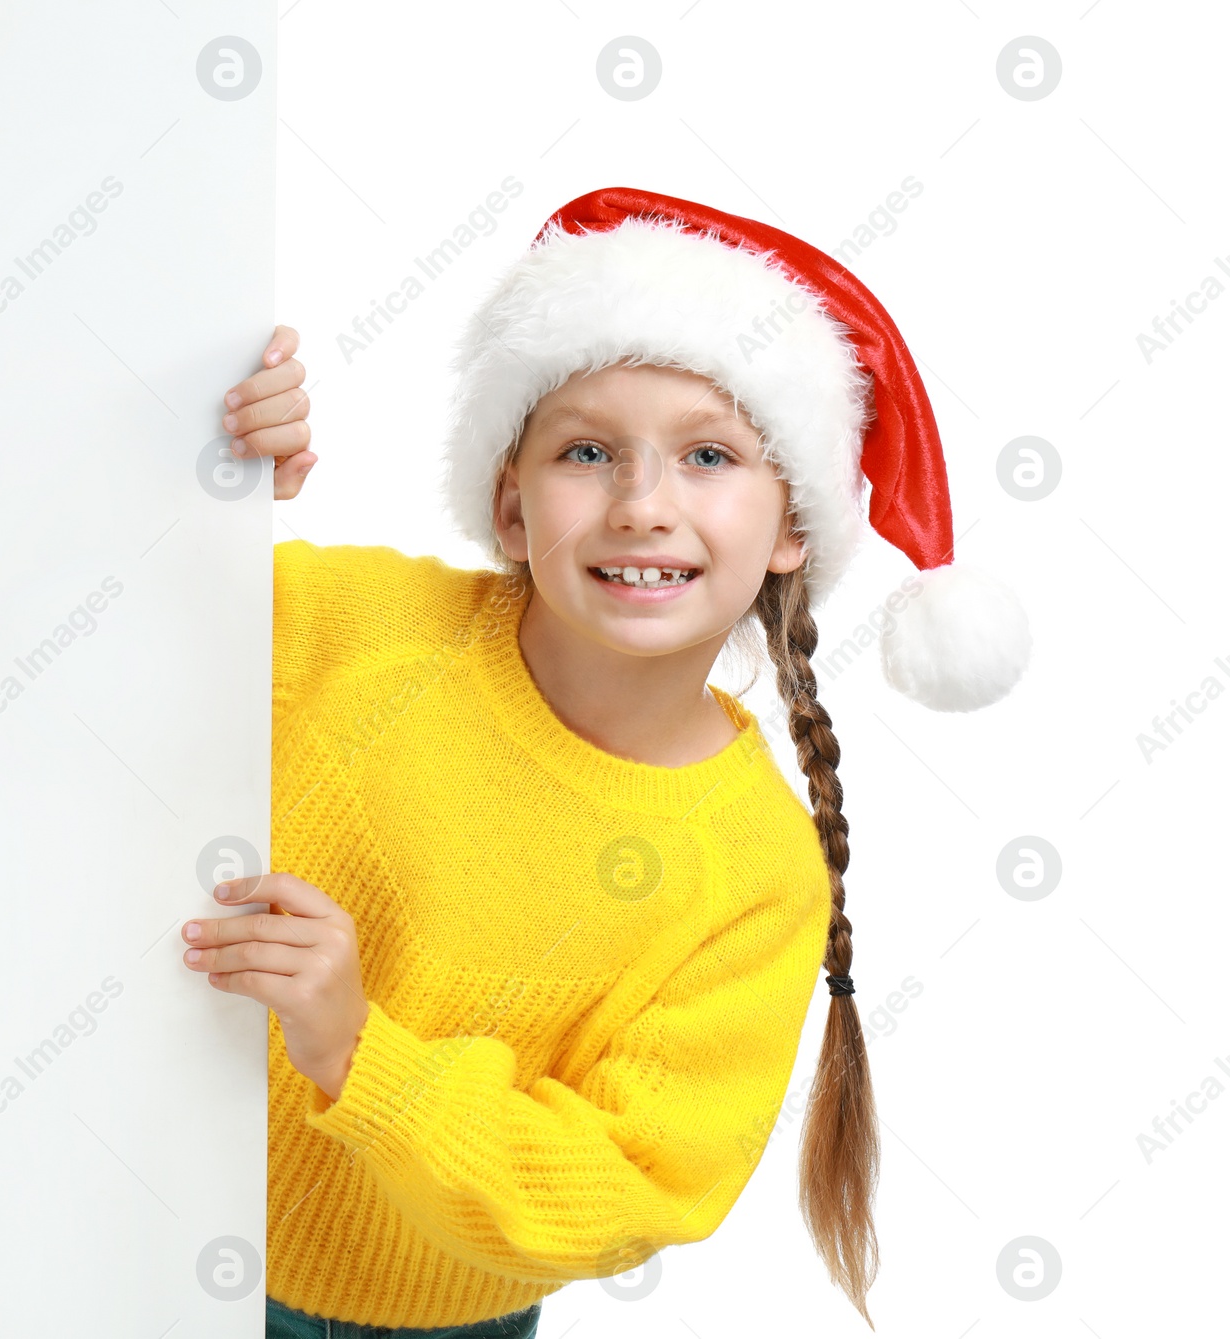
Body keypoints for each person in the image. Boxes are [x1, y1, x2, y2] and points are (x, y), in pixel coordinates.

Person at [183, 188, 1033, 1335]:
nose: (643, 505)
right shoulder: (352, 626)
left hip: (426, 1325)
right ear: (512, 503)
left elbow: (630, 1178)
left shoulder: (754, 874)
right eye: (587, 450)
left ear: (792, 529)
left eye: (709, 456)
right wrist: (205, 496)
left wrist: (359, 1055)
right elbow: (82, 642)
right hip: (118, 1225)